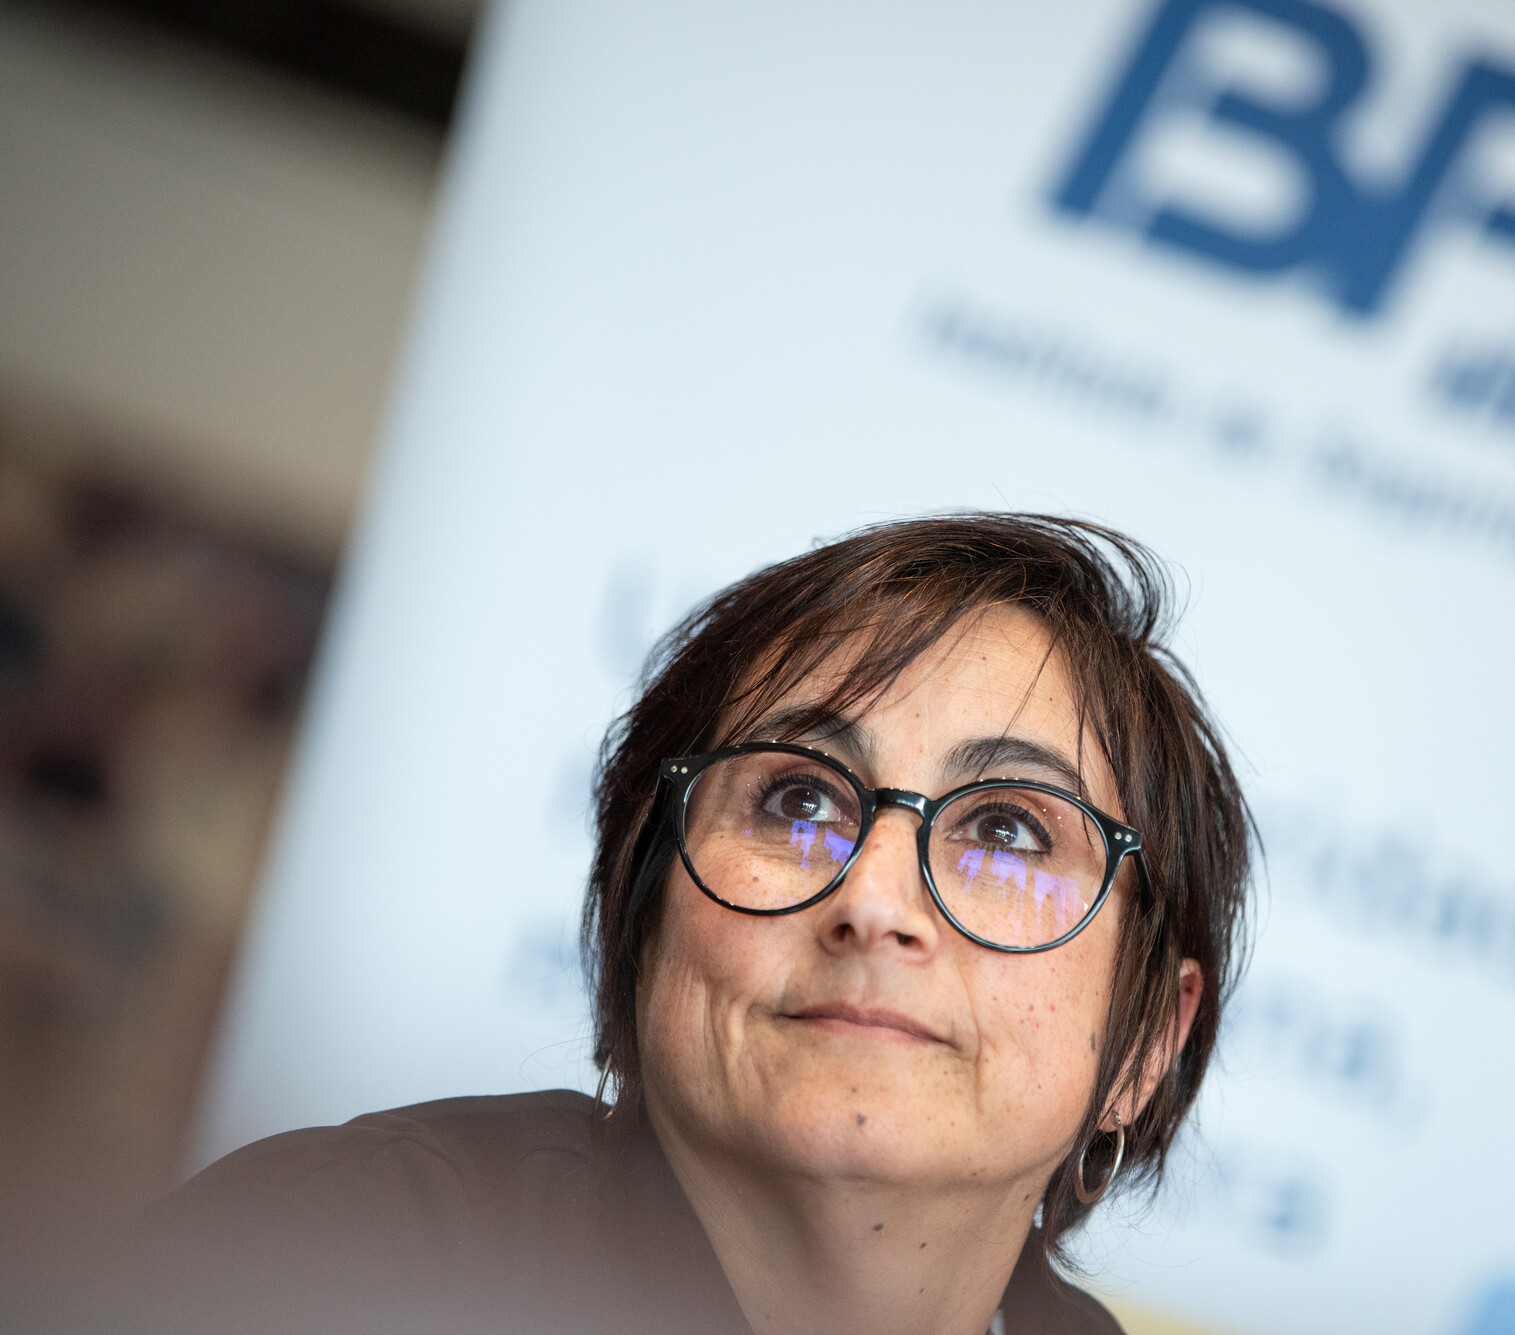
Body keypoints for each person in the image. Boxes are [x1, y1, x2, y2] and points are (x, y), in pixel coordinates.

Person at [130, 514, 1254, 1335]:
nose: (872, 901)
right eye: (797, 801)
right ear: (643, 914)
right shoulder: (321, 1256)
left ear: (1146, 1043)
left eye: (1007, 831)